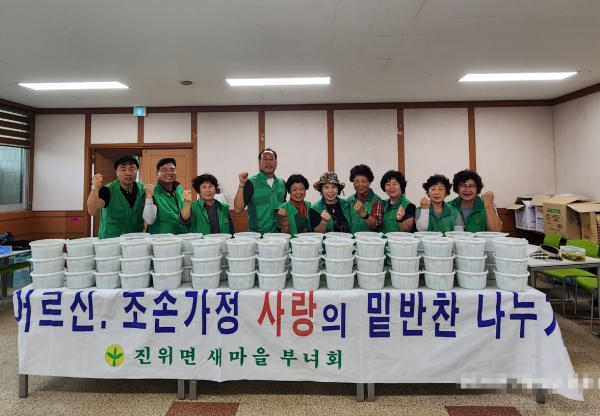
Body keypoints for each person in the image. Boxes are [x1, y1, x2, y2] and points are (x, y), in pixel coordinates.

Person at [87, 155, 148, 239]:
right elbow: (92, 211)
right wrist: (95, 188)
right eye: (123, 170)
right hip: (111, 241)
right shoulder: (107, 190)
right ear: (116, 172)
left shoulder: (144, 190)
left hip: (135, 240)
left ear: (137, 170)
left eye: (132, 169)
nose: (128, 173)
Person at [234, 148, 286, 234]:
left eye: (271, 159)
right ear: (259, 163)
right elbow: (238, 209)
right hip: (257, 235)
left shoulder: (282, 183)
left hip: (278, 235)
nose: (268, 162)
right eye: (264, 159)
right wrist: (242, 184)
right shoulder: (251, 182)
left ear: (276, 162)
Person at [143, 158, 188, 235]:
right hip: (162, 239)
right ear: (157, 173)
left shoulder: (179, 189)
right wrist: (149, 197)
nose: (169, 173)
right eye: (164, 170)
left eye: (172, 170)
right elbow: (149, 220)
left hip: (181, 236)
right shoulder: (152, 192)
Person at [347, 164, 383, 234]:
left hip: (370, 240)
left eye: (363, 181)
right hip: (352, 239)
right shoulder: (350, 200)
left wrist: (363, 213)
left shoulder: (376, 200)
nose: (360, 185)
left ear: (369, 182)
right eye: (356, 181)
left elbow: (376, 225)